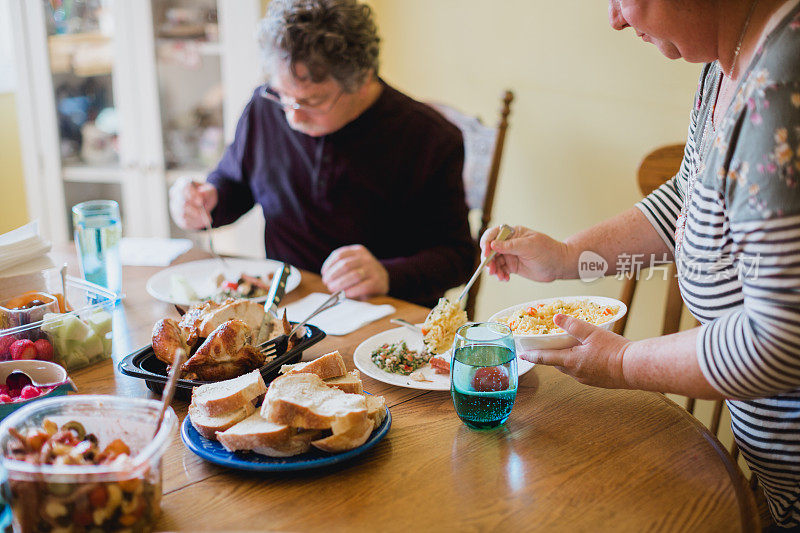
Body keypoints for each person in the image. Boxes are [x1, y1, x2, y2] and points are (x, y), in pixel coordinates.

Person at [482, 0, 800, 527]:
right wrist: (567, 257)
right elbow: (690, 199)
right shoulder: (726, 58)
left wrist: (623, 363)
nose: (615, 19)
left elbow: (777, 339)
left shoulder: (780, 89)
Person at [169, 0, 476, 307]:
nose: (292, 117)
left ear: (363, 79)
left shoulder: (430, 138)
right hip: (285, 308)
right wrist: (206, 200)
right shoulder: (265, 107)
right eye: (283, 95)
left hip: (384, 316)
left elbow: (457, 257)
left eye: (311, 101)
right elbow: (234, 183)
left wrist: (387, 274)